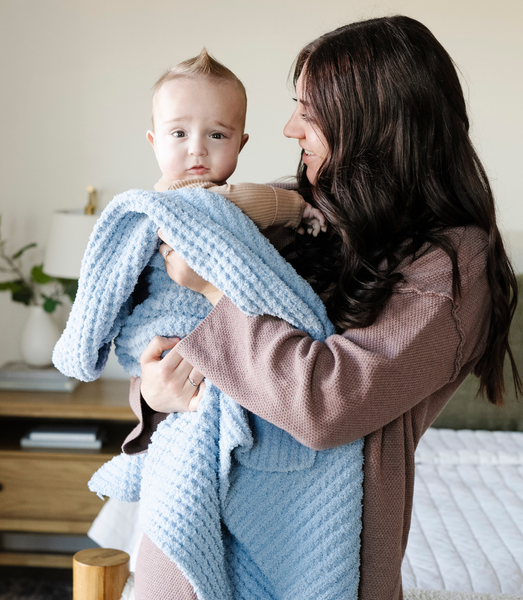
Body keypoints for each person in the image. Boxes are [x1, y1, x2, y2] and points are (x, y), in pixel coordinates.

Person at [123, 15, 522, 600]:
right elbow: (172, 331)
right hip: (191, 529)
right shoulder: (295, 211)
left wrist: (216, 289)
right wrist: (151, 395)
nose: (288, 128)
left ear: (373, 122)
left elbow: (328, 405)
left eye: (308, 112)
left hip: (314, 556)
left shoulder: (451, 267)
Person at [146, 48, 326, 245]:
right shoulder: (182, 197)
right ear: (155, 144)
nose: (197, 149)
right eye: (179, 133)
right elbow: (240, 200)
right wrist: (297, 208)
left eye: (216, 135)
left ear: (240, 146)